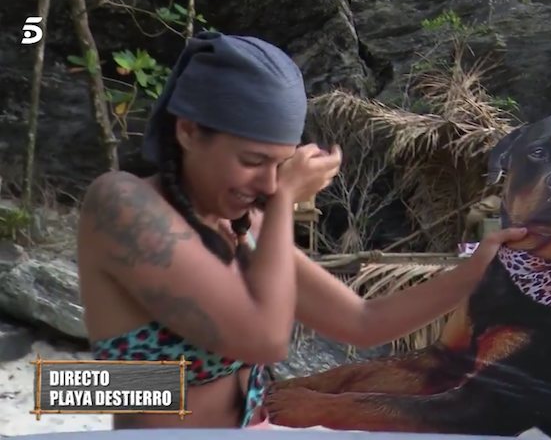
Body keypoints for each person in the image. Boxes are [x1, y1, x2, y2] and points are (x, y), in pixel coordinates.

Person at [76, 31, 527, 430]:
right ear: (190, 131)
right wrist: (285, 203)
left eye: (281, 164)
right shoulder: (121, 203)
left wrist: (477, 270)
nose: (269, 184)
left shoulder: (246, 226)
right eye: (253, 162)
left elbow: (362, 322)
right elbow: (264, 339)